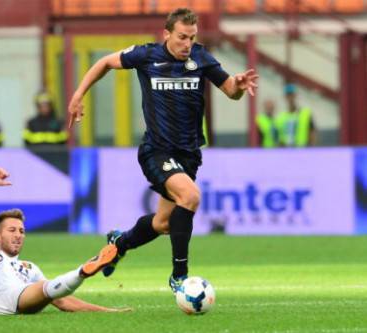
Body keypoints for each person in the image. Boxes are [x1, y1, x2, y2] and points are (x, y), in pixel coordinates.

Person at [68, 8, 258, 293]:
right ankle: (179, 276)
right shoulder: (147, 55)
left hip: (188, 153)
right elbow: (105, 63)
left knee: (163, 223)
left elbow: (230, 90)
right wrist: (78, 95)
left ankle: (119, 243)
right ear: (167, 33)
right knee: (191, 196)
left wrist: (239, 86)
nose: (187, 44)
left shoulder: (201, 58)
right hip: (156, 150)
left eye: (192, 38)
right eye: (182, 37)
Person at [0, 163, 128, 315]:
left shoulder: (30, 268)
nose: (18, 234)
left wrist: (108, 311)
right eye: (12, 230)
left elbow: (63, 302)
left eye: (22, 231)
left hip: (17, 298)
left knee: (47, 289)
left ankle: (83, 271)